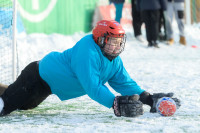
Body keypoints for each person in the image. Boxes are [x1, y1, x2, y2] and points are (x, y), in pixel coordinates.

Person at [0, 20, 181, 117]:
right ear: (100, 39)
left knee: (24, 106)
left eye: (119, 43)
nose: (115, 47)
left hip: (47, 88)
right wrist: (115, 103)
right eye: (111, 42)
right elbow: (92, 86)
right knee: (4, 107)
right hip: (35, 78)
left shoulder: (113, 60)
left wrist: (149, 100)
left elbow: (124, 83)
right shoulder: (87, 50)